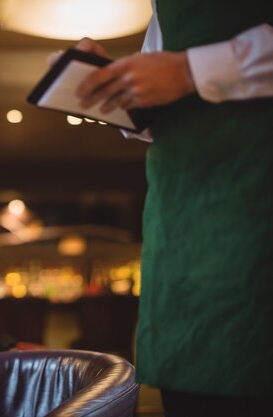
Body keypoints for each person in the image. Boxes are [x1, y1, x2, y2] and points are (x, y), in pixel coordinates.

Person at [51, 2, 273, 415]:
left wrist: (192, 70)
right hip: (179, 230)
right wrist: (117, 89)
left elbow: (185, 75)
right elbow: (162, 113)